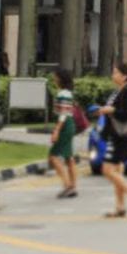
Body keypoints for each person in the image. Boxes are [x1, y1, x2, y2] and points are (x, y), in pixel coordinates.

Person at [97, 64, 127, 218]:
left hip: (121, 137)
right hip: (115, 135)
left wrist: (113, 110)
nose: (113, 75)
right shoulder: (118, 92)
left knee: (107, 170)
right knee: (117, 172)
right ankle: (120, 206)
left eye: (116, 72)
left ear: (124, 76)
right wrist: (104, 111)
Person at [49, 69, 79, 199]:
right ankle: (72, 186)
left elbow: (63, 114)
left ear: (61, 79)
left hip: (65, 126)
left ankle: (67, 186)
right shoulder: (67, 93)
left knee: (53, 156)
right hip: (69, 125)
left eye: (55, 77)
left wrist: (56, 130)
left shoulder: (63, 94)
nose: (54, 79)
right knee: (69, 157)